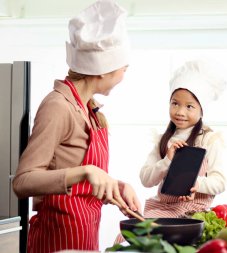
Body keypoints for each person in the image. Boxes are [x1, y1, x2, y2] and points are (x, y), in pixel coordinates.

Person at [12, 0, 141, 252]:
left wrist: (115, 186)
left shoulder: (90, 110)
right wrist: (86, 171)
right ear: (103, 70)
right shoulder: (58, 106)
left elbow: (79, 179)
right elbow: (23, 182)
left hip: (83, 234)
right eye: (123, 69)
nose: (124, 75)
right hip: (56, 238)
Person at [141, 60, 227, 217]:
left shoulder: (209, 140)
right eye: (175, 103)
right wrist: (166, 161)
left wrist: (196, 183)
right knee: (130, 237)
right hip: (162, 208)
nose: (180, 111)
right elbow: (146, 179)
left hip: (194, 212)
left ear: (201, 110)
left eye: (189, 106)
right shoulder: (163, 141)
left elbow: (220, 182)